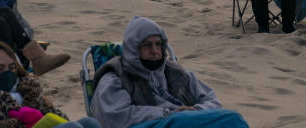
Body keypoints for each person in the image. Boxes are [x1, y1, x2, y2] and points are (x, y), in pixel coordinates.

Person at [91, 16, 248, 128]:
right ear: (133, 49)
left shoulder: (175, 73)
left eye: (158, 44)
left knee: (228, 119)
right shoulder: (115, 77)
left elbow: (212, 101)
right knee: (232, 119)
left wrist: (195, 110)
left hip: (182, 120)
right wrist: (168, 114)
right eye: (147, 45)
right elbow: (114, 117)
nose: (155, 51)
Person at [0, 40, 97, 128]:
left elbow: (59, 117)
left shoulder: (27, 88)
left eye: (11, 67)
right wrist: (18, 123)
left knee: (89, 123)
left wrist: (39, 118)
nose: (7, 72)